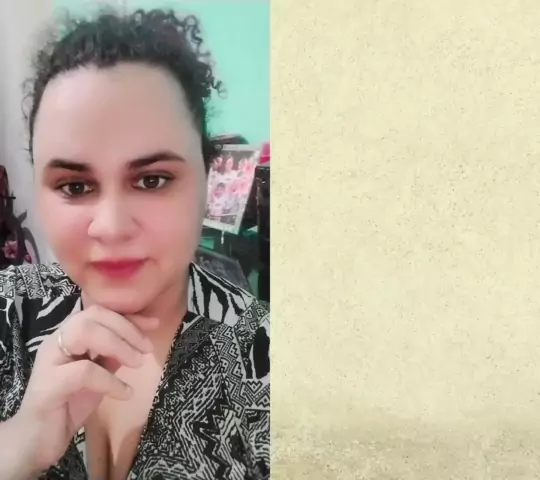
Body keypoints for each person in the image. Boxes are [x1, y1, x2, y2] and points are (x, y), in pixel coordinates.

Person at [0, 8, 270, 480]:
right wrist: (19, 442)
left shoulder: (266, 360)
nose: (110, 227)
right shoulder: (10, 309)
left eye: (152, 180)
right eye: (76, 186)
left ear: (207, 179)